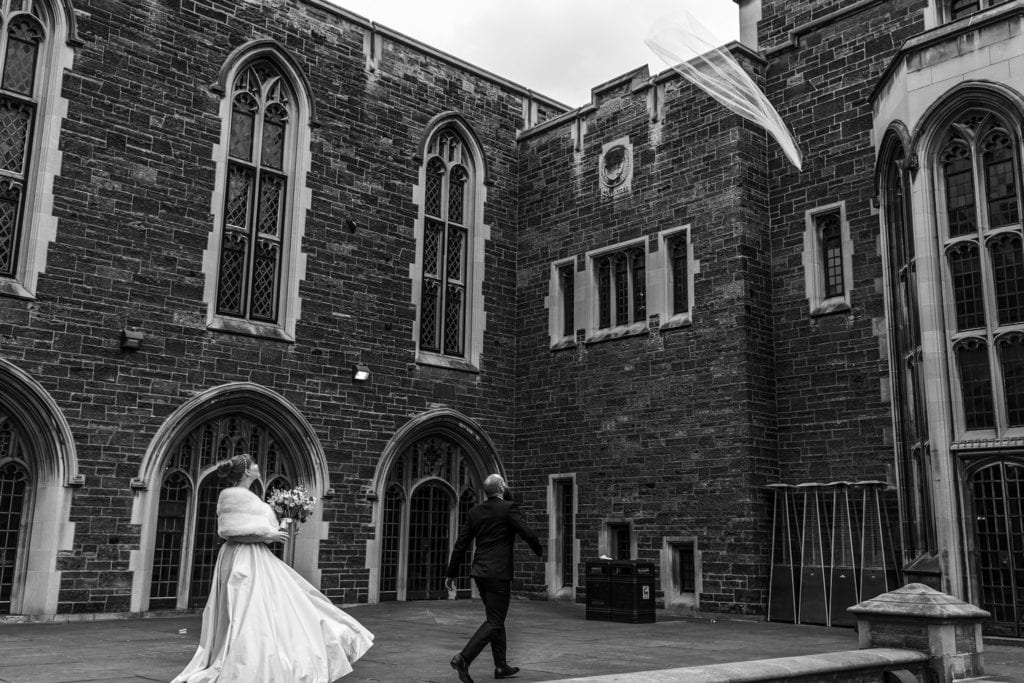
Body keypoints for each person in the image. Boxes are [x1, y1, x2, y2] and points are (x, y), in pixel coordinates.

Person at [172, 453, 374, 682]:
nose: (259, 466)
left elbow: (262, 532)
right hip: (242, 559)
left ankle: (273, 655)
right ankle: (247, 663)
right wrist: (269, 533)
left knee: (278, 605)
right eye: (255, 464)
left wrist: (284, 522)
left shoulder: (249, 497)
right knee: (246, 608)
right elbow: (233, 532)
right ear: (247, 471)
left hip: (256, 556)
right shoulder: (233, 496)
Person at [445, 473, 543, 683]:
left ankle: (501, 666)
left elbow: (461, 544)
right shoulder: (508, 508)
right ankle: (464, 658)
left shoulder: (475, 512)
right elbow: (527, 532)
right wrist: (539, 549)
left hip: (480, 572)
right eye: (504, 484)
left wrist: (451, 573)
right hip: (498, 573)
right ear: (501, 488)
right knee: (495, 620)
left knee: (495, 618)